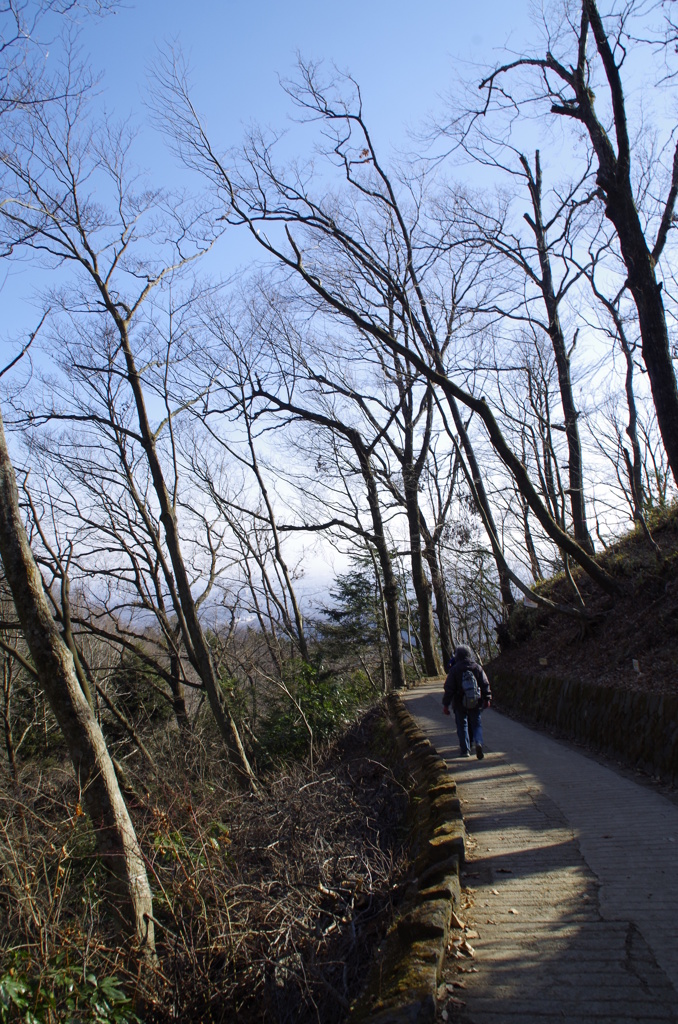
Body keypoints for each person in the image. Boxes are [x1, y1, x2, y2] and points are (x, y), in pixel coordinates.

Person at [442, 644, 492, 759]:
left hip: (459, 702)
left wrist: (446, 704)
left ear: (457, 656)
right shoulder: (477, 667)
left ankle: (465, 750)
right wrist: (487, 698)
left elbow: (449, 688)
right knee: (476, 724)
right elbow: (485, 684)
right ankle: (478, 742)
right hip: (475, 700)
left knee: (462, 725)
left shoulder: (454, 670)